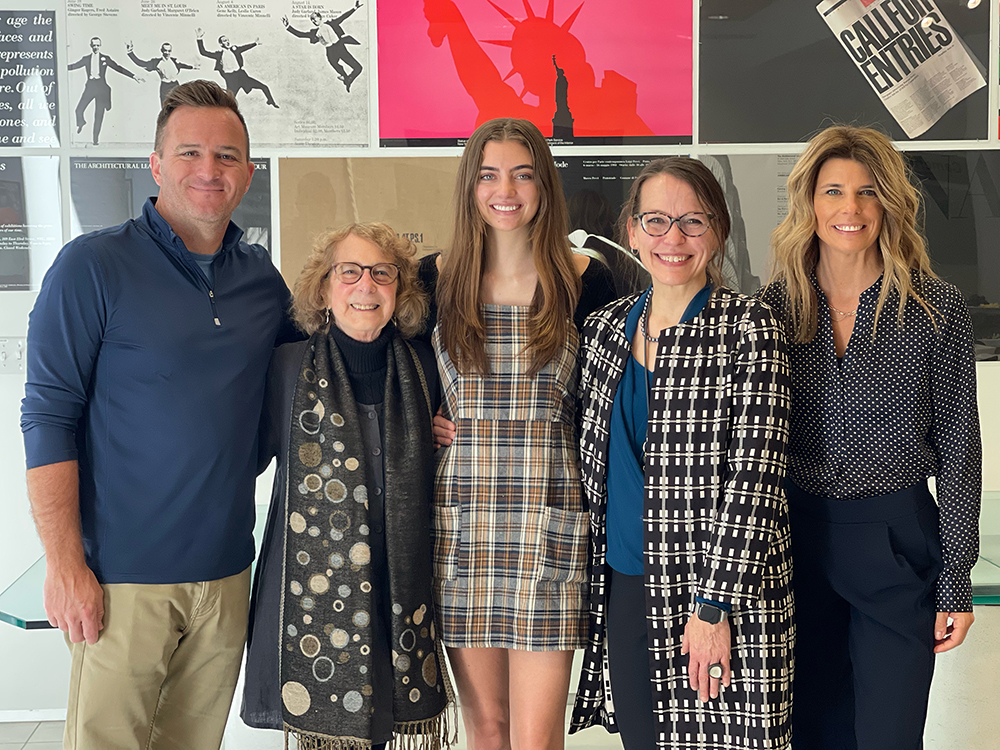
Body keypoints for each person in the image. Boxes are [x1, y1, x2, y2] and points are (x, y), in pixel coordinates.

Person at [20, 80, 298, 750]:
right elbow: (48, 416)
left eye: (227, 156)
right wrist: (65, 566)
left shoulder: (263, 280)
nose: (209, 170)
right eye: (190, 152)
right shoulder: (92, 266)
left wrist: (431, 408)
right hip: (122, 578)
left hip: (230, 571)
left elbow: (321, 382)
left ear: (249, 172)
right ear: (156, 163)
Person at [758, 125, 982, 750]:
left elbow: (961, 447)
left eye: (867, 192)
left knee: (889, 734)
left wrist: (956, 578)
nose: (850, 209)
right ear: (809, 203)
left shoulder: (935, 308)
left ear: (890, 204)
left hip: (896, 541)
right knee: (808, 733)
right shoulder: (771, 309)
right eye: (833, 191)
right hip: (793, 542)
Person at [569, 157, 794, 750]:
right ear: (632, 231)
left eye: (693, 222)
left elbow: (757, 477)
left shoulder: (749, 329)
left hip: (720, 590)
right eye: (657, 221)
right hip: (624, 581)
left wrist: (714, 607)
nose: (673, 238)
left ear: (718, 231)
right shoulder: (604, 331)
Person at [420, 117, 617, 750]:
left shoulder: (588, 280)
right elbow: (387, 379)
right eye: (489, 174)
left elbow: (612, 402)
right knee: (488, 729)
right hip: (462, 526)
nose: (506, 190)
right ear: (470, 185)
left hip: (551, 522)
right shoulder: (431, 279)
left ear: (545, 185)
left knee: (536, 737)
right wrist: (418, 424)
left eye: (523, 174)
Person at [241, 222, 455, 750]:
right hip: (316, 588)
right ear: (324, 289)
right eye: (350, 272)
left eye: (383, 274)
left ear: (399, 292)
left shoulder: (428, 368)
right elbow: (241, 457)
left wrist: (442, 436)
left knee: (383, 721)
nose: (366, 285)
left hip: (399, 584)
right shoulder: (285, 368)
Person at [67, 37, 143, 145]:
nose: (96, 47)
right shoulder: (86, 59)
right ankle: (81, 122)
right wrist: (60, 67)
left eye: (98, 45)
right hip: (90, 86)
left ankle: (95, 140)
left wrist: (133, 76)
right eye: (94, 45)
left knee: (98, 114)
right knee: (79, 109)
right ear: (90, 46)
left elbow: (118, 68)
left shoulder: (105, 58)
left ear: (100, 45)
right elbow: (74, 66)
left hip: (101, 87)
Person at [283, 3, 364, 93]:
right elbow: (300, 35)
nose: (313, 21)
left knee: (358, 68)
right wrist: (288, 26)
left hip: (340, 47)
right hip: (331, 52)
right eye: (312, 20)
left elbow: (343, 17)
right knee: (339, 68)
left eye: (314, 18)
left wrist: (354, 8)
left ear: (320, 17)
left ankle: (348, 80)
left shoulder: (331, 24)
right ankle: (345, 77)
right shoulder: (314, 32)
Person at [196, 28, 279, 108]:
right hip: (231, 79)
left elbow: (244, 47)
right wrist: (199, 38)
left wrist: (255, 43)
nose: (227, 41)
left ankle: (271, 101)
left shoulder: (235, 49)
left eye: (227, 40)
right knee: (229, 101)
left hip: (242, 76)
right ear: (221, 44)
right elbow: (203, 52)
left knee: (264, 87)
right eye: (225, 41)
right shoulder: (219, 55)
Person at [126, 40, 198, 104]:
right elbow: (141, 63)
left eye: (169, 51)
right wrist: (130, 52)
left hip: (176, 86)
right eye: (165, 50)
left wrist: (193, 67)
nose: (167, 53)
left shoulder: (174, 61)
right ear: (161, 51)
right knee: (166, 111)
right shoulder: (156, 62)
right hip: (165, 87)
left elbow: (182, 65)